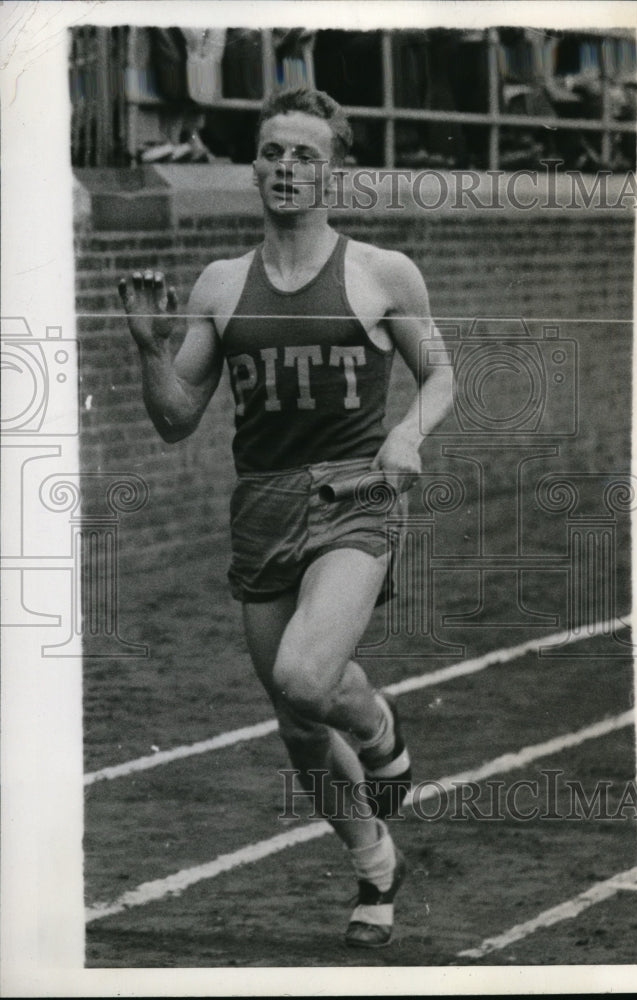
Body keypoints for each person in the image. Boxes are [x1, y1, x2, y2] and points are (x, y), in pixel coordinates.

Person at [118, 87, 453, 948]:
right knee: (300, 722)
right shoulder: (222, 285)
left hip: (355, 494)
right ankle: (376, 868)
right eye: (272, 152)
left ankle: (379, 732)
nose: (285, 169)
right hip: (260, 502)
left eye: (305, 154)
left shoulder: (383, 272)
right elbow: (175, 417)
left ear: (334, 168)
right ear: (253, 166)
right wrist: (151, 348)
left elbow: (441, 376)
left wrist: (409, 436)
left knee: (308, 677)